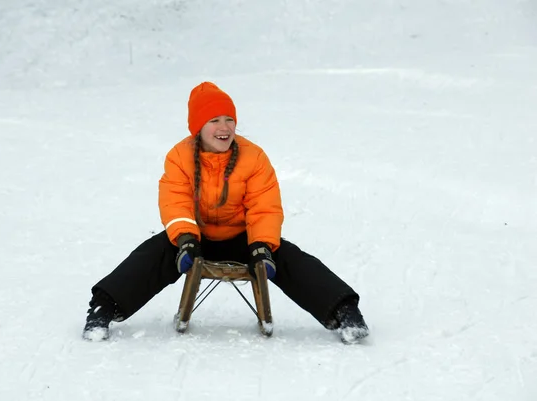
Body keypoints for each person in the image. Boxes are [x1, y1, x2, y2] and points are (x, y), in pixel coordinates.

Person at [82, 82, 369, 344]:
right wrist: (185, 238)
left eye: (229, 119)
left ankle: (343, 309)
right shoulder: (179, 157)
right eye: (214, 120)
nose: (225, 127)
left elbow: (264, 205)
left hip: (244, 238)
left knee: (291, 258)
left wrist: (261, 245)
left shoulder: (253, 157)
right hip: (195, 238)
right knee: (153, 253)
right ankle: (104, 306)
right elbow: (175, 201)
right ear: (198, 126)